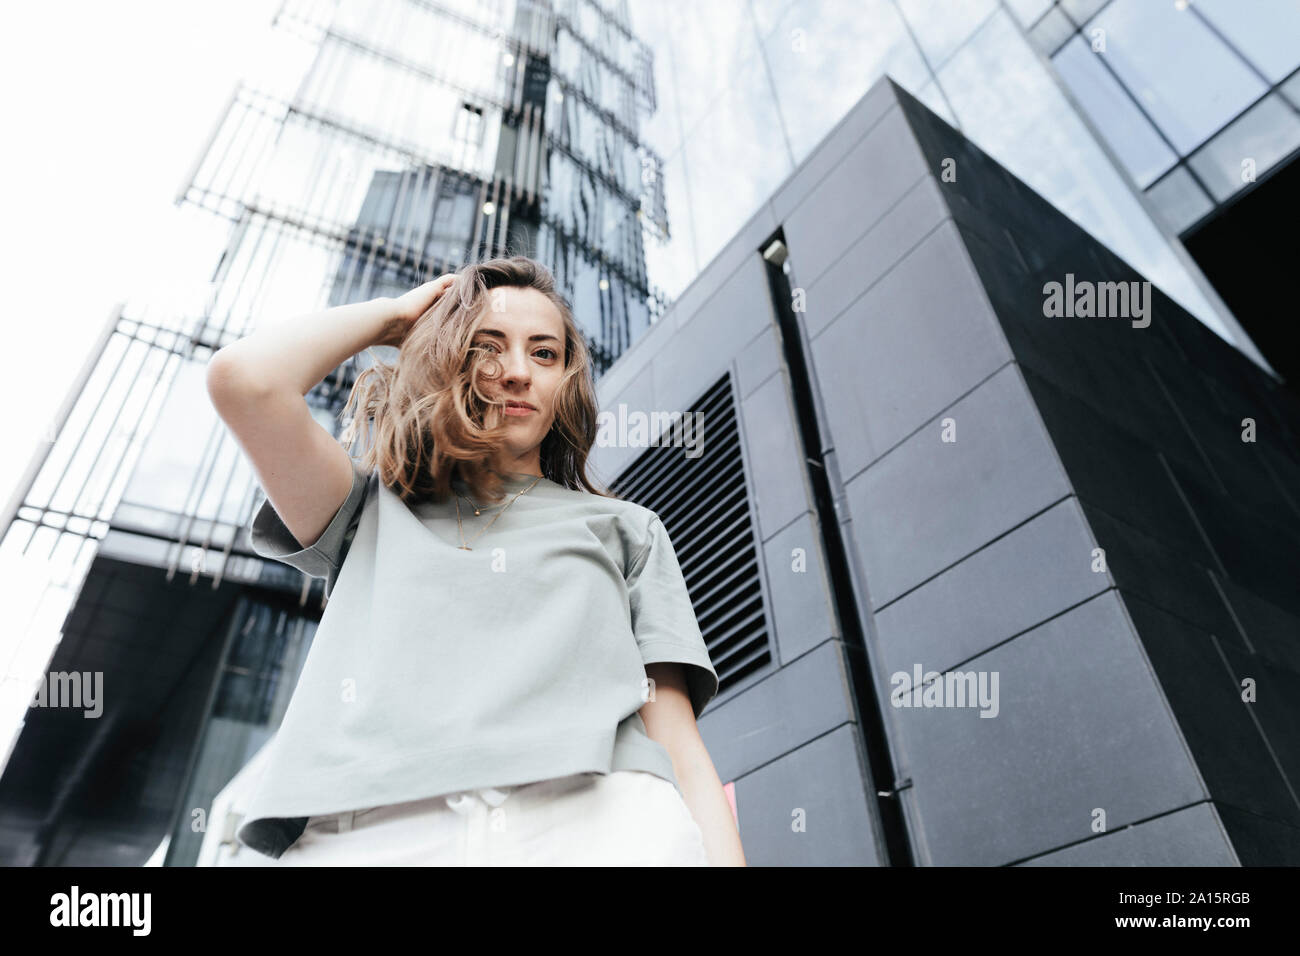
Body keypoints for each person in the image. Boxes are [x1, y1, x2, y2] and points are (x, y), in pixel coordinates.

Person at [206, 256, 746, 866]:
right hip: (371, 830)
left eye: (544, 354)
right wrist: (396, 317)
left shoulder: (627, 529)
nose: (518, 372)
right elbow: (245, 381)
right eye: (488, 348)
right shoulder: (366, 511)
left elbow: (675, 737)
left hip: (600, 823)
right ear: (450, 359)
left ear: (566, 378)